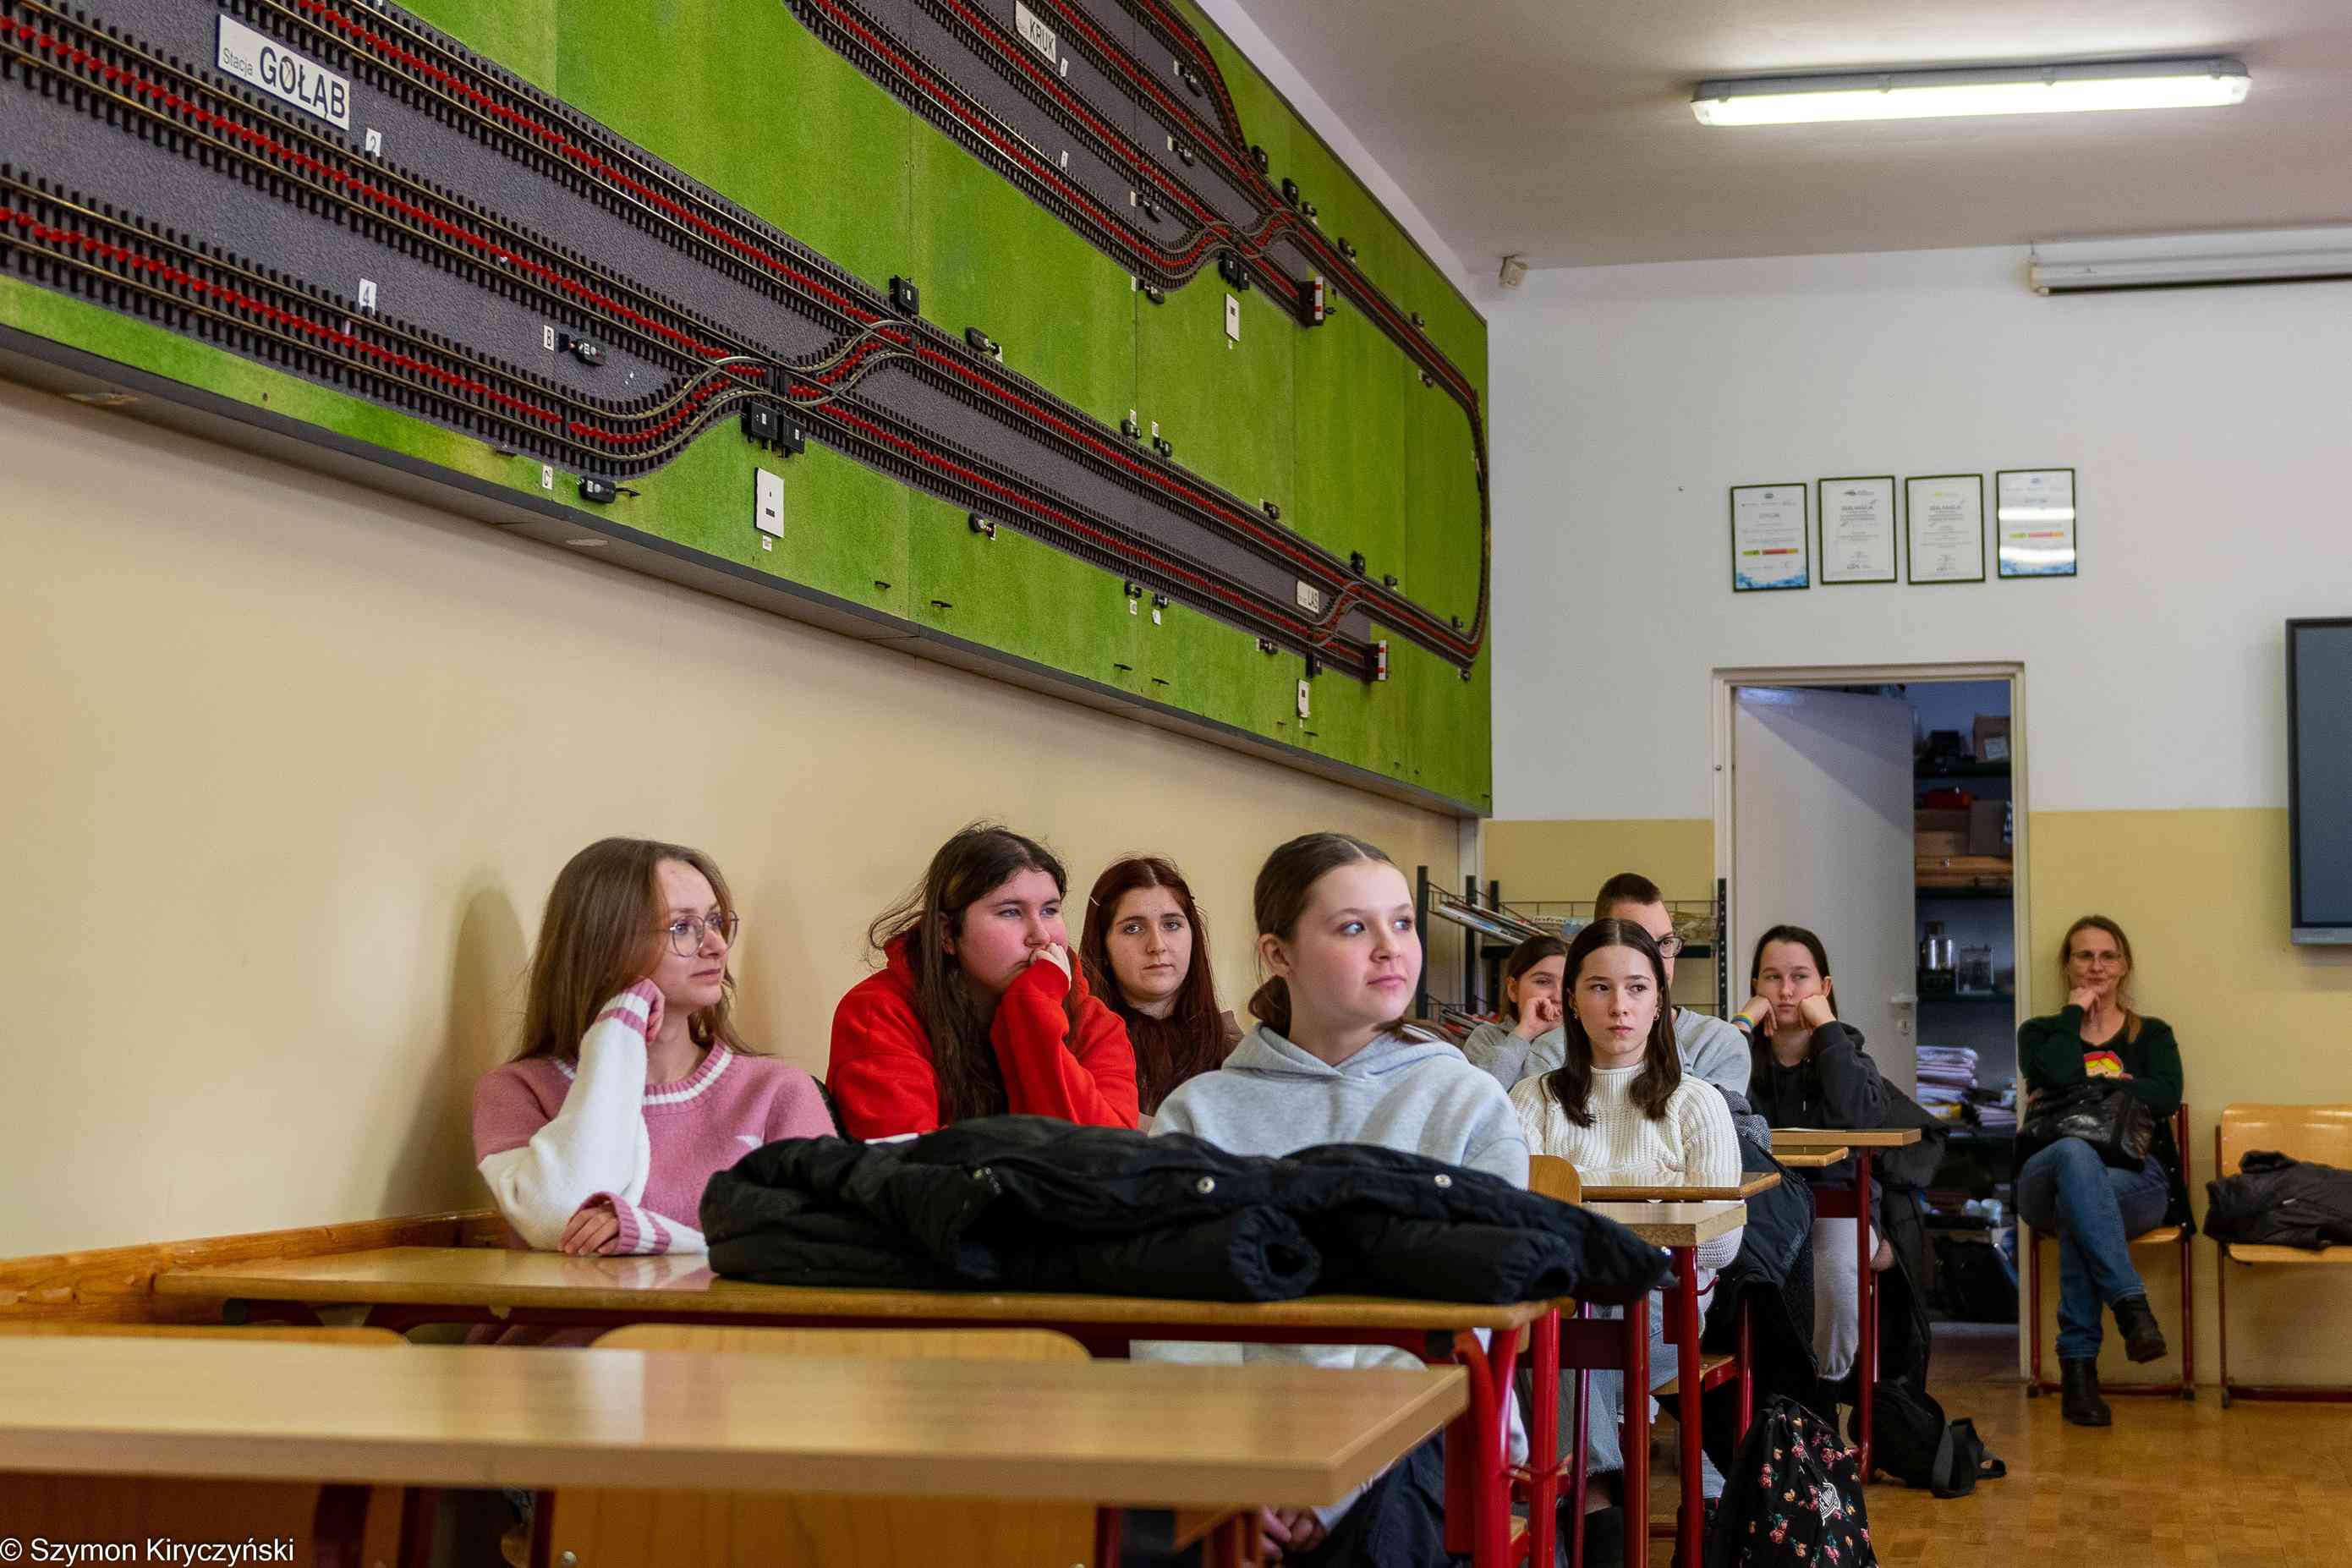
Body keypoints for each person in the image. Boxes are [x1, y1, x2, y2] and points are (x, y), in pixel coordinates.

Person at [1153, 831, 1525, 1565]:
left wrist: (1337, 1479)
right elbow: (1172, 1313)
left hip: (1418, 1432)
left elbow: (1467, 1316)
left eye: (1402, 923)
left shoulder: (1465, 1101)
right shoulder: (1199, 1112)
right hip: (1235, 1440)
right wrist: (1221, 1471)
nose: (1390, 949)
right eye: (1354, 927)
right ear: (1278, 954)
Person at [472, 838, 835, 1256]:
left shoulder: (778, 1092)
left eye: (716, 921)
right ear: (605, 945)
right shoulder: (515, 1092)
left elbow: (821, 1245)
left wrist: (657, 1237)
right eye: (682, 928)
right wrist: (615, 1038)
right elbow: (556, 1218)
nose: (716, 945)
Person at [1511, 918, 1741, 1538]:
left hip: (1665, 1308)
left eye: (1637, 988)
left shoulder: (1696, 1102)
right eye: (1599, 987)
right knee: (1553, 1313)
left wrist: (1581, 1206)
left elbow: (1719, 1243)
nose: (1619, 1006)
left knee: (1584, 1315)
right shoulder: (1532, 1100)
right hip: (1565, 1300)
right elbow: (1516, 1225)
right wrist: (1650, 1203)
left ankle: (1586, 1504)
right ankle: (1597, 1510)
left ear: (1659, 1001)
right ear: (1571, 999)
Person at [829, 825, 1138, 1138]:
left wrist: (1033, 1011)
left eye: (1050, 910)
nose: (1041, 935)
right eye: (1010, 912)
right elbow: (906, 1161)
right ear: (947, 934)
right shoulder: (877, 1012)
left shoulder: (1096, 1024)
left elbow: (1104, 1156)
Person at [2016, 915, 2186, 1428]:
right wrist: (2075, 1014)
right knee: (2074, 1156)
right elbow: (2053, 1069)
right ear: (2067, 965)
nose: (2096, 966)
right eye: (2084, 955)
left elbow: (2166, 1096)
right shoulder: (2040, 1032)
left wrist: (2086, 1086)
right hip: (2044, 1175)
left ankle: (2079, 1375)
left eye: (2108, 955)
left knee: (2081, 1204)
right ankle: (2131, 1305)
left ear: (2124, 965)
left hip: (2139, 1181)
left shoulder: (2151, 1034)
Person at [1733, 924, 1889, 1390]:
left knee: (1836, 1274)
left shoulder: (1846, 1049)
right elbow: (1702, 1097)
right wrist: (1741, 1025)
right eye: (1771, 977)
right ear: (1755, 987)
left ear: (1824, 987)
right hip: (1755, 1206)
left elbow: (1861, 1118)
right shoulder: (1739, 1051)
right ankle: (1752, 1400)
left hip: (1834, 1204)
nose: (1785, 991)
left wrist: (1827, 1028)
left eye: (1800, 977)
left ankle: (1821, 1394)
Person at [1077, 854, 1241, 1123]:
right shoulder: (1075, 1049)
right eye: (1133, 928)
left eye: (1171, 925)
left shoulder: (1238, 1053)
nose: (1157, 945)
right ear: (1103, 946)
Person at [1458, 934, 1566, 1090]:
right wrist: (1524, 1033)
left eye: (1567, 983)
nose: (1558, 997)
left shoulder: (1582, 1042)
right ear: (1513, 989)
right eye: (1543, 981)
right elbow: (1480, 1095)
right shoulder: (1486, 1037)